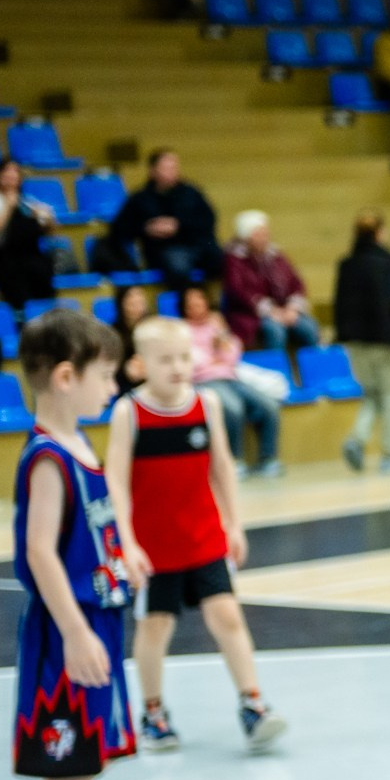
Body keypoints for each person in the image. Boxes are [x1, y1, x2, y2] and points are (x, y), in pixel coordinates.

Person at [0, 307, 142, 780]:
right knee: (76, 759)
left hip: (97, 619)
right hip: (68, 630)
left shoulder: (77, 444)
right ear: (67, 377)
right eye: (106, 375)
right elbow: (40, 551)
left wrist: (123, 559)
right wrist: (73, 630)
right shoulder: (46, 458)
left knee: (88, 755)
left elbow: (87, 531)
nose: (113, 387)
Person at [107, 316, 287, 755]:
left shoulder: (206, 405)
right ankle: (153, 712)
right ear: (139, 364)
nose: (178, 367)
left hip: (204, 536)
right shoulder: (129, 412)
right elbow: (115, 478)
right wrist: (127, 543)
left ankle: (252, 703)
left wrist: (234, 523)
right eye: (165, 359)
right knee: (156, 626)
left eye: (185, 357)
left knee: (227, 616)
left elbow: (222, 466)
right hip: (154, 547)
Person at [333, 209, 390, 473]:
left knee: (372, 394)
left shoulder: (346, 264)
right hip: (384, 339)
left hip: (355, 342)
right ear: (379, 233)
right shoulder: (386, 263)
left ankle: (357, 439)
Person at [178, 283, 281, 478]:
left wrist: (222, 335)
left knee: (268, 405)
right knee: (233, 408)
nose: (197, 306)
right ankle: (234, 460)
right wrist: (212, 358)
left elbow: (233, 355)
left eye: (200, 301)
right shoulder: (181, 330)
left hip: (230, 377)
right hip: (203, 381)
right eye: (191, 303)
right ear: (184, 307)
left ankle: (268, 459)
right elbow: (192, 363)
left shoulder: (217, 325)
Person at [107, 150, 223, 286]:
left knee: (224, 261)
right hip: (162, 251)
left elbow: (208, 220)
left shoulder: (191, 192)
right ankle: (186, 304)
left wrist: (179, 225)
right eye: (166, 168)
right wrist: (146, 228)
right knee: (178, 266)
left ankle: (208, 302)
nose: (172, 172)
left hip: (196, 245)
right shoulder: (140, 198)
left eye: (174, 167)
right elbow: (119, 228)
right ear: (153, 171)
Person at [221, 211, 320, 352]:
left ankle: (312, 370)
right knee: (275, 331)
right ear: (246, 237)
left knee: (309, 327)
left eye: (265, 233)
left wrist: (292, 308)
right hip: (251, 314)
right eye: (258, 234)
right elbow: (237, 291)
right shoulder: (234, 259)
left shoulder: (276, 255)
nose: (264, 238)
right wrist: (269, 310)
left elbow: (296, 283)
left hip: (284, 309)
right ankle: (275, 371)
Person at [0, 159, 58, 308]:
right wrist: (8, 206)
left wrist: (49, 218)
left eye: (15, 172)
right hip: (1, 256)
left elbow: (51, 233)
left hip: (29, 256)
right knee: (16, 278)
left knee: (43, 270)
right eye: (7, 171)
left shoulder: (27, 201)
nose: (11, 175)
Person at [108, 282, 156, 395]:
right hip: (126, 381)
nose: (136, 305)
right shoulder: (114, 331)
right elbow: (112, 365)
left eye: (139, 301)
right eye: (131, 302)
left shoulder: (154, 325)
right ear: (121, 303)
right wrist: (127, 370)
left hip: (153, 374)